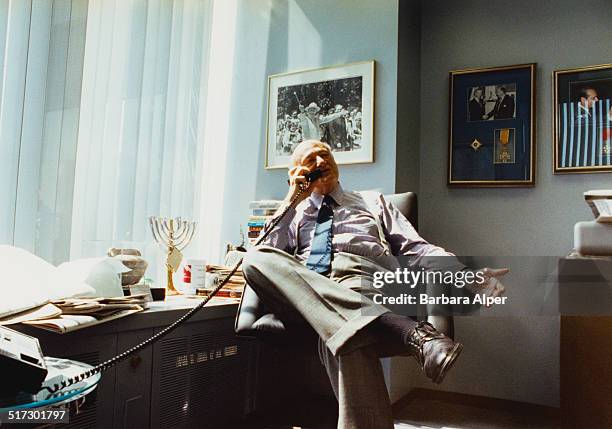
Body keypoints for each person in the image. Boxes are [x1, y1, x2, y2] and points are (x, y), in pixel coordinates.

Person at [241, 140, 508, 429]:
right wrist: (292, 198)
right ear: (296, 173)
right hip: (307, 290)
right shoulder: (292, 213)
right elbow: (267, 256)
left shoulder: (372, 201)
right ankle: (412, 333)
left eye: (324, 154)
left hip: (364, 280)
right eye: (310, 159)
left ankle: (372, 321)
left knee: (340, 325)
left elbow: (417, 249)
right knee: (255, 259)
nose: (320, 161)